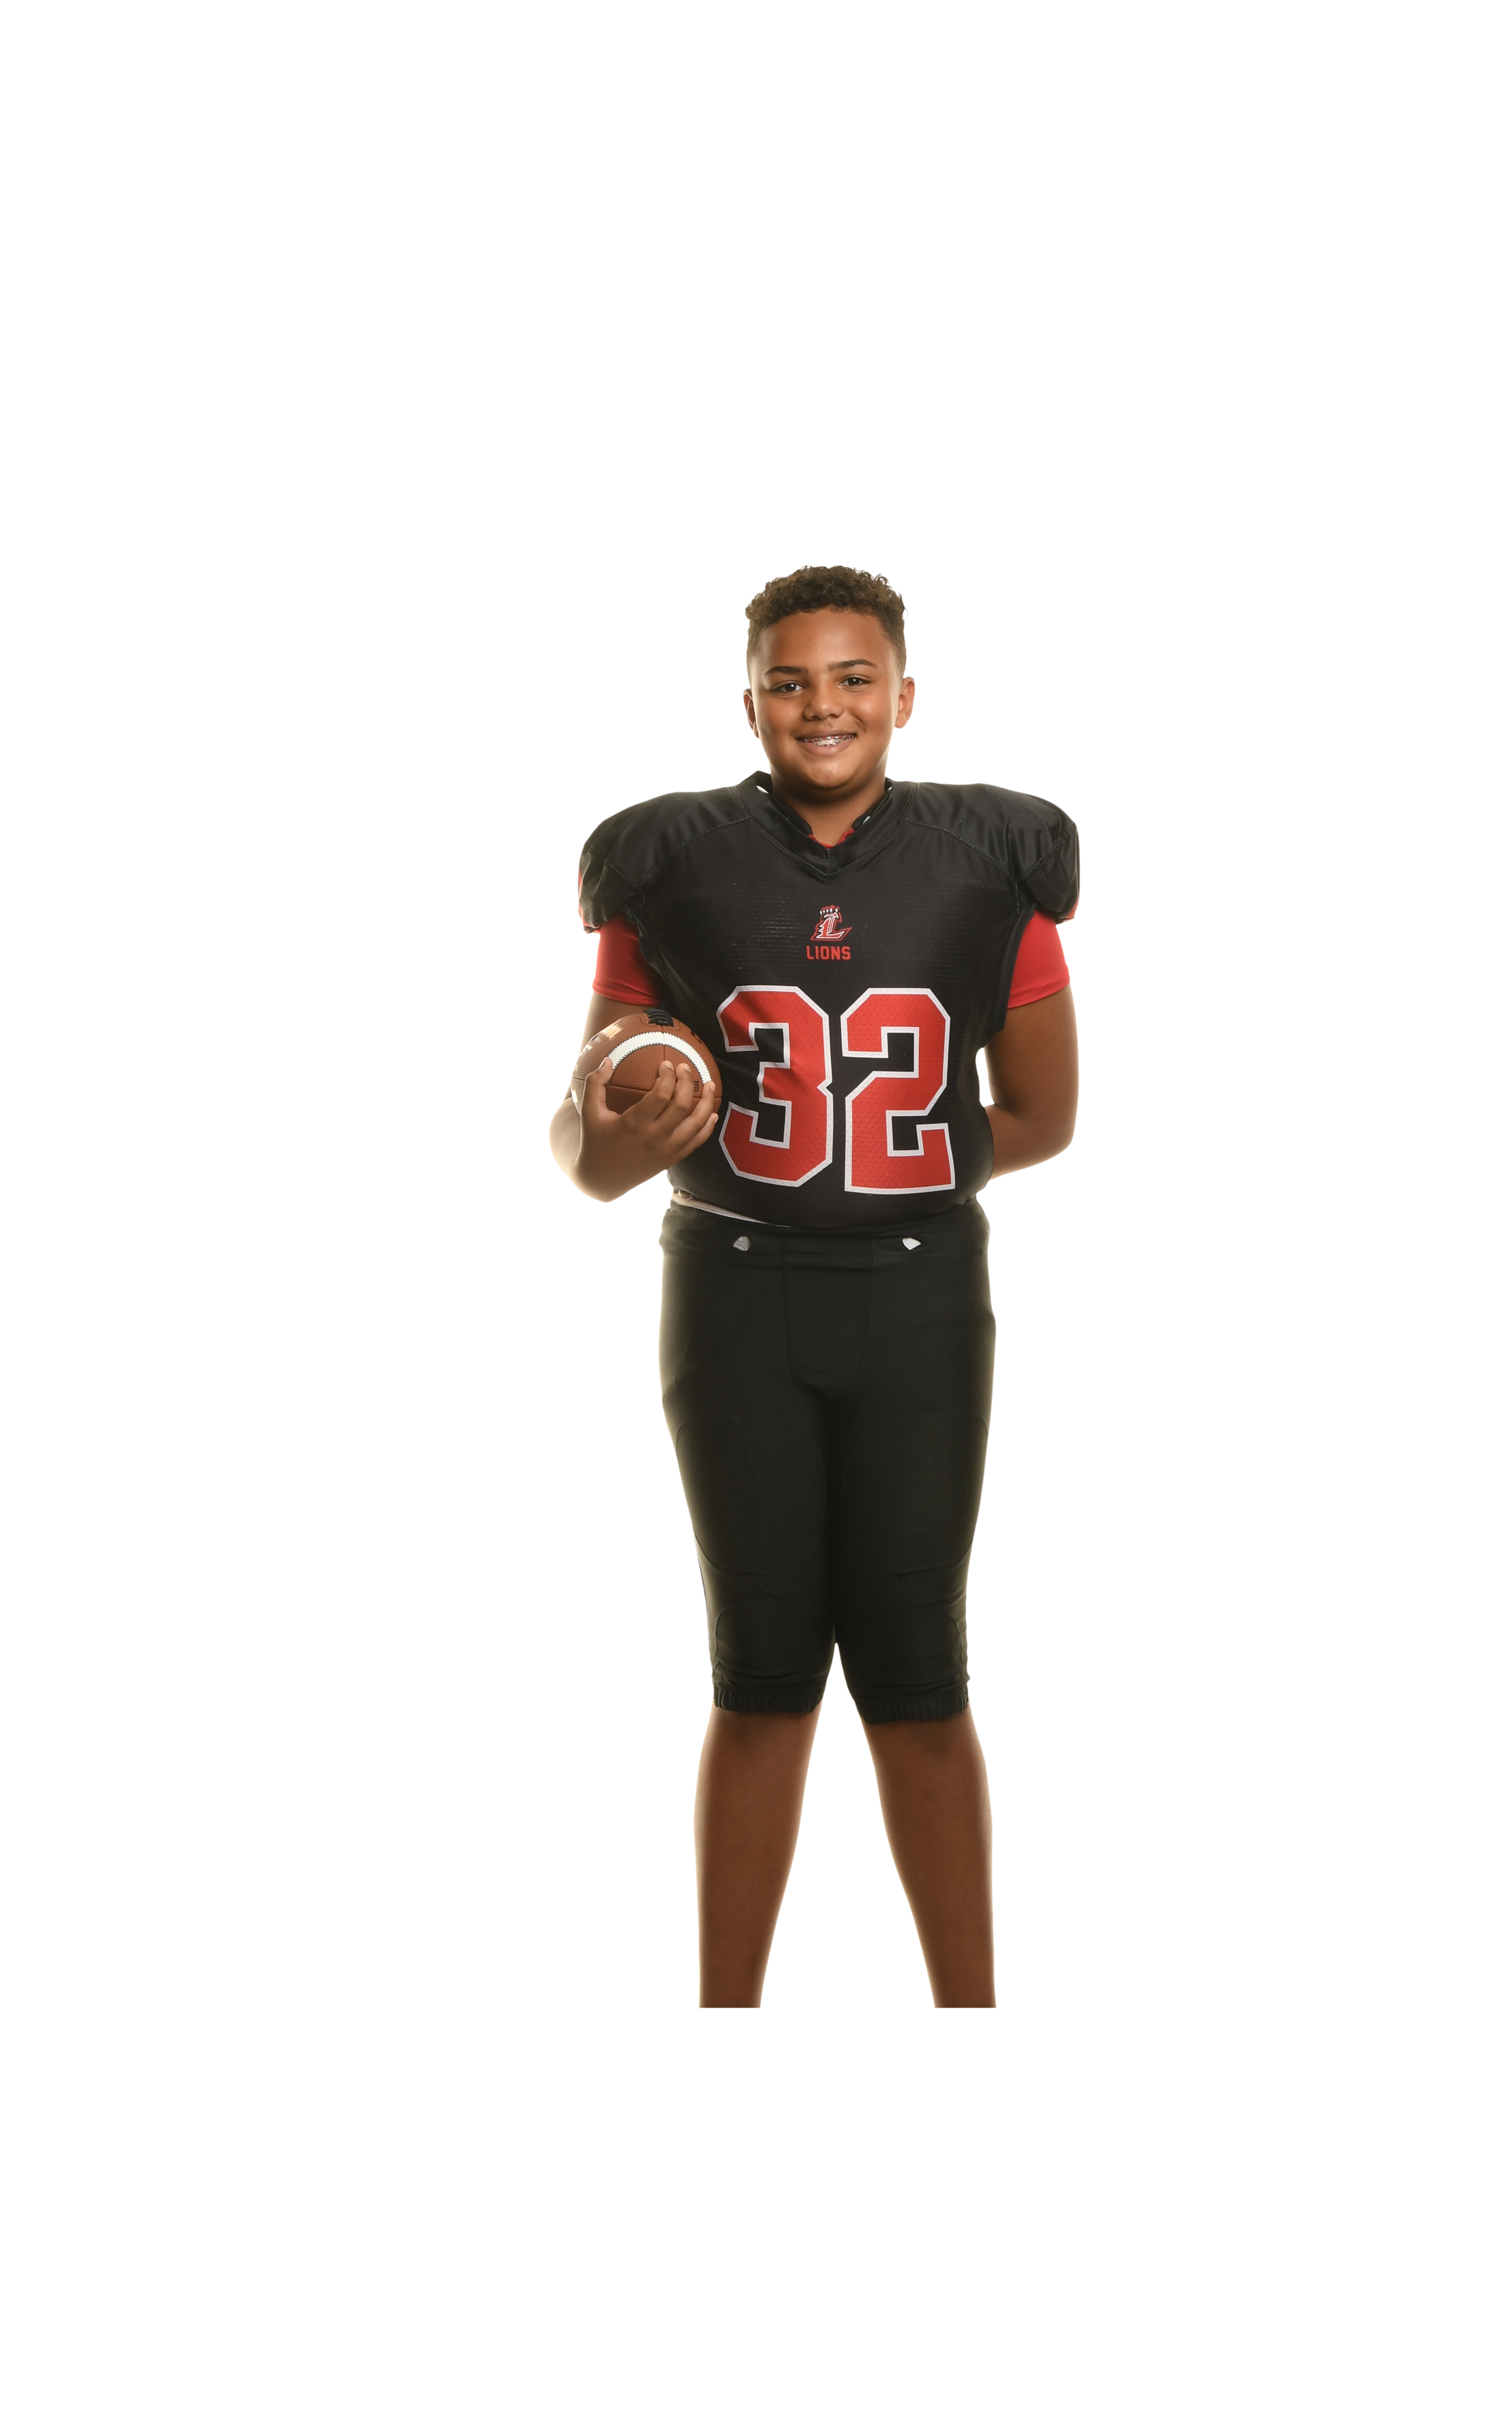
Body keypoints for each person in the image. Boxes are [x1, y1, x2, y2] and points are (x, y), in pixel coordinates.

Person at [549, 565, 1079, 2008]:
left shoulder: (990, 860)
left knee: (918, 1673)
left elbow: (1044, 1117)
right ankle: (725, 2020)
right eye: (789, 680)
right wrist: (626, 1129)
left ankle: (972, 2019)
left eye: (854, 678)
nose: (822, 705)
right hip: (730, 1295)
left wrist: (877, 1155)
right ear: (750, 703)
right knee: (761, 1673)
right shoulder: (670, 863)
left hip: (921, 1296)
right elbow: (581, 1152)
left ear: (905, 694)